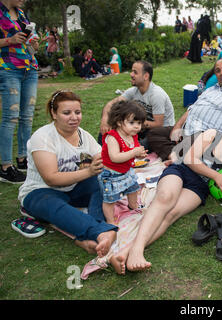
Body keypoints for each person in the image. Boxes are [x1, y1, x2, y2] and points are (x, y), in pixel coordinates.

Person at [112, 113, 222, 273]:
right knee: (165, 198)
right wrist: (217, 176)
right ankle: (137, 249)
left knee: (171, 214)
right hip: (182, 171)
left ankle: (127, 252)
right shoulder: (212, 135)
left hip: (199, 188)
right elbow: (189, 158)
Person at [17, 91, 118, 255]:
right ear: (54, 114)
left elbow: (103, 158)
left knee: (104, 180)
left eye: (77, 112)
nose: (74, 117)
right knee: (54, 206)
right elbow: (51, 178)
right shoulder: (42, 137)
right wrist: (90, 171)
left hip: (73, 189)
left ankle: (93, 230)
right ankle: (101, 232)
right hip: (41, 192)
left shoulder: (83, 135)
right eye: (66, 113)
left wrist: (120, 157)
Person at [151, 58, 222, 162]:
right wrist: (177, 126)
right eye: (217, 71)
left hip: (205, 137)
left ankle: (179, 156)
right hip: (186, 129)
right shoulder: (211, 89)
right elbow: (192, 109)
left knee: (190, 145)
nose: (221, 72)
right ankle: (176, 155)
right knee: (154, 133)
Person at [100, 60, 175, 160]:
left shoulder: (156, 95)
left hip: (158, 132)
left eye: (135, 72)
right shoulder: (134, 91)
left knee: (134, 148)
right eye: (132, 71)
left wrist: (131, 124)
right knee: (108, 131)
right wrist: (105, 120)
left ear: (146, 76)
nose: (131, 74)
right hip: (140, 127)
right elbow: (111, 104)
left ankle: (117, 156)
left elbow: (158, 124)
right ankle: (102, 154)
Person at [0, 0, 40, 184]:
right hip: (8, 68)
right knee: (11, 117)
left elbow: (26, 42)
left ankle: (23, 159)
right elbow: (12, 40)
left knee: (27, 116)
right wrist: (10, 40)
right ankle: (5, 167)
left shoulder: (21, 13)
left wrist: (34, 44)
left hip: (29, 67)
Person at [99, 100, 148, 225]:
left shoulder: (132, 135)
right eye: (132, 122)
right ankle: (111, 221)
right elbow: (115, 157)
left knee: (133, 189)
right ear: (119, 122)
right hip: (112, 174)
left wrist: (140, 155)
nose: (137, 126)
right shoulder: (112, 137)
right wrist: (134, 152)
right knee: (110, 200)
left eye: (139, 123)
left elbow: (133, 153)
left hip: (127, 171)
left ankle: (133, 206)